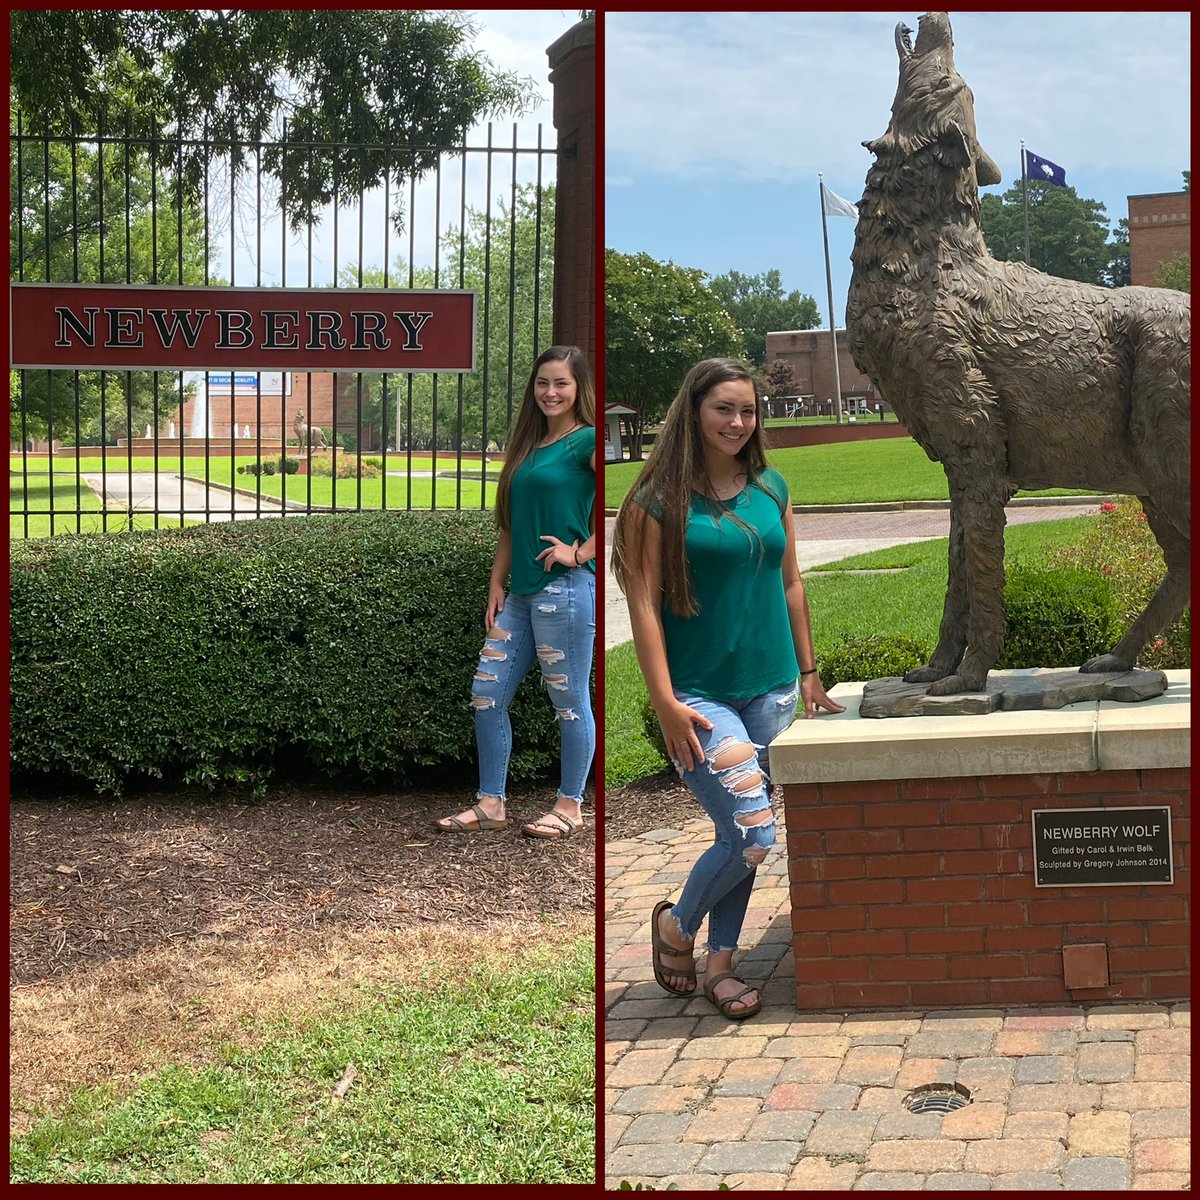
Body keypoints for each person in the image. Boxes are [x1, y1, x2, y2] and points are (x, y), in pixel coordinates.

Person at [611, 357, 845, 1019]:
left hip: (770, 690)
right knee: (752, 834)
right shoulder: (655, 501)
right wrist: (664, 702)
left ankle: (719, 964)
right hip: (700, 697)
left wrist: (808, 673)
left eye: (747, 411)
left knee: (738, 831)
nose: (738, 422)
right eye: (724, 409)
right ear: (693, 412)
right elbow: (644, 604)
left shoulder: (772, 488)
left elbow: (790, 582)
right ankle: (676, 929)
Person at [436, 346, 596, 840]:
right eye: (543, 382)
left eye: (561, 384)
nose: (550, 392)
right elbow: (510, 524)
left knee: (569, 702)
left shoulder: (586, 441)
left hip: (564, 592)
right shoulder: (528, 446)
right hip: (522, 597)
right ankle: (491, 804)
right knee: (486, 694)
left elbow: (628, 508)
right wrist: (495, 582)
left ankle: (570, 806)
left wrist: (582, 552)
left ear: (578, 389)